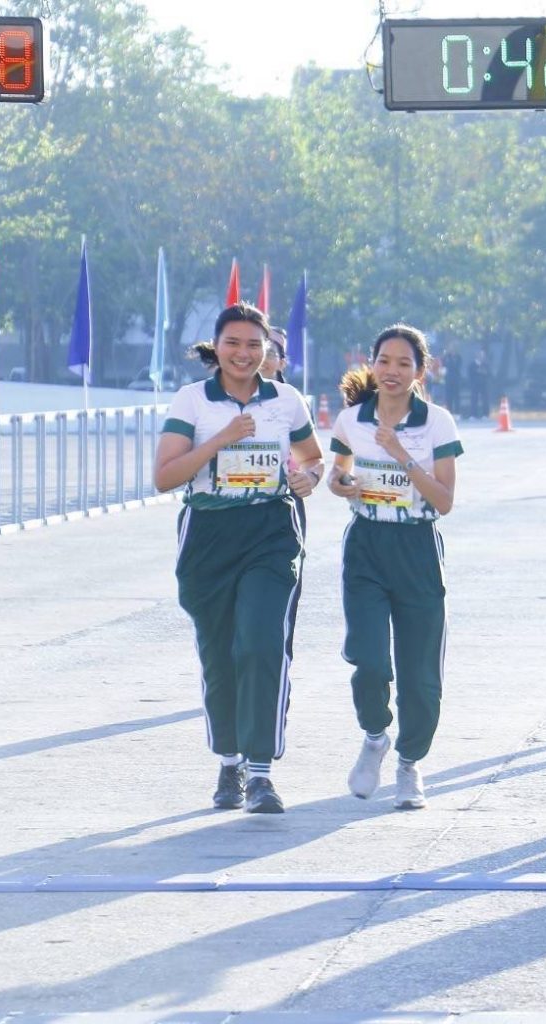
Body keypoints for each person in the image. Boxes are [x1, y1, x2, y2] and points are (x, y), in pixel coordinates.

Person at [153, 303, 324, 814]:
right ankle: (229, 762)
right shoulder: (192, 400)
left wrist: (308, 478)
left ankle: (261, 772)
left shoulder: (286, 400)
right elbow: (165, 476)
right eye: (233, 343)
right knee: (221, 650)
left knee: (263, 642)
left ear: (267, 349)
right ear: (217, 346)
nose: (244, 354)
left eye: (254, 344)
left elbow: (314, 457)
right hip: (209, 532)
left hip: (271, 530)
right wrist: (221, 440)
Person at [329, 325, 463, 810]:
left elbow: (444, 500)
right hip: (367, 544)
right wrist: (342, 483)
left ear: (421, 371)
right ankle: (374, 736)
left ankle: (409, 763)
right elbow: (336, 473)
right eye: (384, 361)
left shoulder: (437, 423)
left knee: (420, 673)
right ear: (371, 363)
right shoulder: (352, 419)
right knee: (368, 659)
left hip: (417, 548)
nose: (392, 371)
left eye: (404, 363)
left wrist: (401, 454)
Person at [466, 350, 489, 419]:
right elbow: (470, 375)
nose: (482, 357)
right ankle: (473, 415)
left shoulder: (485, 365)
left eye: (483, 355)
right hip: (475, 384)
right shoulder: (472, 365)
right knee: (474, 399)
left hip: (484, 385)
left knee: (485, 399)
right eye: (481, 355)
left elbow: (488, 373)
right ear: (477, 356)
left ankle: (485, 414)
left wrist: (484, 373)